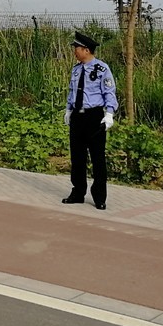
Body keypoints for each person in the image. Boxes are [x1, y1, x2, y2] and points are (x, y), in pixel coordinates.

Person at [62, 31, 118, 210]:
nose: (75, 51)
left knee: (97, 158)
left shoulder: (102, 69)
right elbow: (72, 91)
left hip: (94, 117)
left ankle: (99, 197)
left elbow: (109, 92)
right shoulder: (76, 69)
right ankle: (78, 192)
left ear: (86, 50)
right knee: (77, 157)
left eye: (76, 48)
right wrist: (69, 110)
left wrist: (109, 114)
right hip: (78, 117)